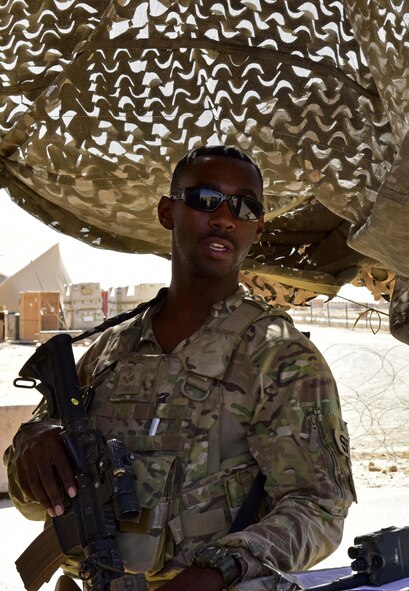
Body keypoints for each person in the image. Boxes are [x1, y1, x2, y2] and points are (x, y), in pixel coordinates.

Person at [4, 145, 357, 590]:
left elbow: (320, 508)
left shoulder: (278, 357)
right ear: (168, 212)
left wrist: (218, 570)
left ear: (257, 229)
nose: (225, 217)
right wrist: (31, 444)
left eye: (244, 207)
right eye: (206, 199)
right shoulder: (111, 351)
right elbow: (34, 494)